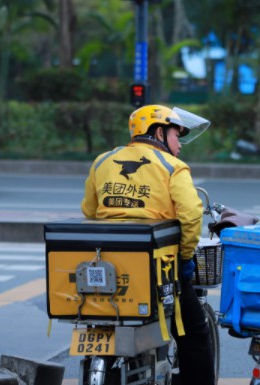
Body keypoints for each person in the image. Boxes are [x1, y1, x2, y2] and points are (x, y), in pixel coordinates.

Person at [81, 104, 215, 385]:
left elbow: (89, 212)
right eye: (177, 136)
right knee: (194, 333)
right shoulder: (172, 167)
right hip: (158, 269)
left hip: (106, 268)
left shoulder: (103, 161)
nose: (179, 145)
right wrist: (185, 257)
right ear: (158, 132)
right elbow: (190, 216)